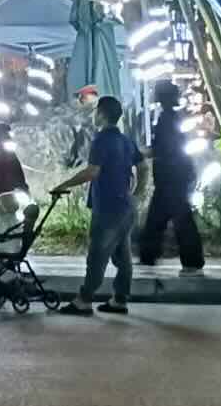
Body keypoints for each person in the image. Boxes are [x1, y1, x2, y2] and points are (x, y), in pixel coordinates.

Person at [51, 95, 142, 316]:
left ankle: (84, 300)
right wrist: (137, 194)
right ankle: (120, 299)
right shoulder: (126, 140)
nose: (93, 115)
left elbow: (92, 171)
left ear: (101, 114)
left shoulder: (101, 140)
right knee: (122, 255)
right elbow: (143, 166)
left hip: (108, 207)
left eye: (95, 111)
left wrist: (63, 185)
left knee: (97, 255)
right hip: (126, 206)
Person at [138, 81, 206, 275]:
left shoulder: (166, 119)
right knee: (159, 218)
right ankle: (149, 256)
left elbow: (165, 148)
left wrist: (146, 152)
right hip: (174, 176)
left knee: (178, 218)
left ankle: (191, 260)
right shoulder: (171, 118)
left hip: (171, 177)